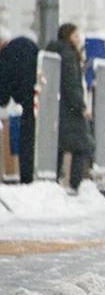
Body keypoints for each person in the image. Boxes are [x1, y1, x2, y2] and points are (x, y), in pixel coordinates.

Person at [46, 24, 94, 193]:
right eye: (75, 35)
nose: (78, 39)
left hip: (58, 107)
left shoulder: (55, 52)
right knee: (82, 146)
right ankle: (75, 184)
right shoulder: (68, 55)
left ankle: (54, 179)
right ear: (68, 36)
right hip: (71, 108)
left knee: (59, 144)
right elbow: (72, 84)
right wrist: (81, 106)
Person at [0, 28, 39, 183]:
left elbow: (2, 94)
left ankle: (27, 177)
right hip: (39, 97)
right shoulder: (26, 43)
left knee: (26, 140)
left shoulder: (5, 57)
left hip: (25, 103)